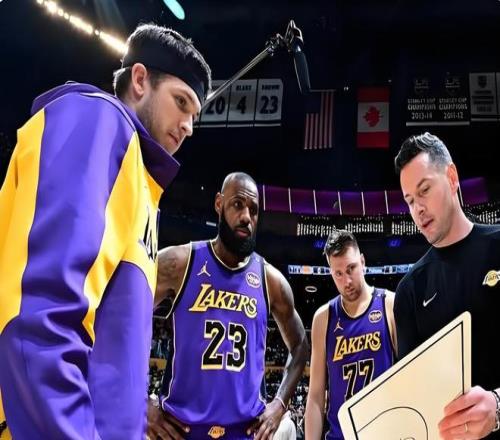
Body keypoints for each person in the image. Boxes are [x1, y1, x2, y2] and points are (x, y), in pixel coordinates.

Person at [0, 23, 211, 439]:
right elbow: (39, 319)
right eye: (181, 101)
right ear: (140, 79)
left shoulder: (140, 178)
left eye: (194, 115)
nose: (188, 125)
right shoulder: (96, 120)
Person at [147, 172, 309, 440]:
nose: (246, 216)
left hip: (246, 432)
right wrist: (140, 399)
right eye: (237, 205)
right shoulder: (180, 263)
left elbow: (300, 344)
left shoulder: (271, 281)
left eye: (253, 210)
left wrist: (280, 404)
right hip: (181, 431)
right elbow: (122, 318)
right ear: (219, 204)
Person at [394, 132, 500, 440]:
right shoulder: (410, 291)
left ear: (452, 177)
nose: (418, 209)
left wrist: (497, 405)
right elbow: (412, 403)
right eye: (410, 201)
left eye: (424, 190)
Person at [305, 229, 396, 439]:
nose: (347, 281)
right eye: (338, 273)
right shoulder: (323, 319)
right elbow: (316, 396)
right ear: (331, 273)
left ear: (362, 262)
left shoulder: (389, 305)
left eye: (351, 268)